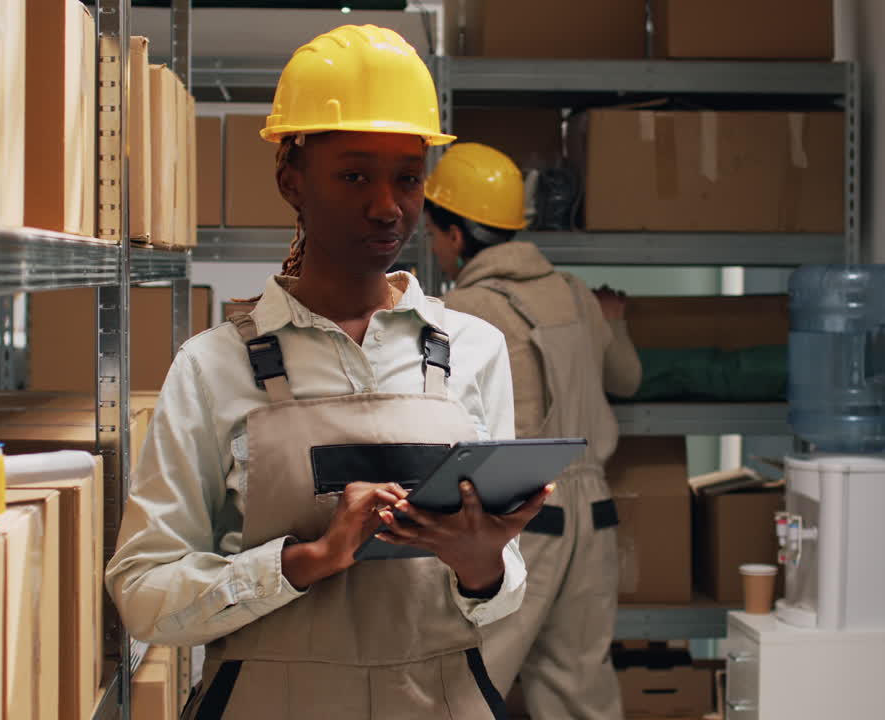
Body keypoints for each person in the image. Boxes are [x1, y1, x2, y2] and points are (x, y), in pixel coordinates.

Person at [105, 26, 551, 719]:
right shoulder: (213, 367)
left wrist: (482, 565)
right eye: (354, 175)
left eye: (407, 178)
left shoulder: (474, 349)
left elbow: (503, 594)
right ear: (292, 181)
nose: (387, 205)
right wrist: (303, 562)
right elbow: (143, 594)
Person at [424, 143, 643, 719]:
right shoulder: (576, 293)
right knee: (579, 688)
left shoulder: (461, 311)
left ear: (455, 235)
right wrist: (613, 326)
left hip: (518, 513)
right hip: (595, 514)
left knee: (466, 680)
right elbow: (628, 378)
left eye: (432, 233)